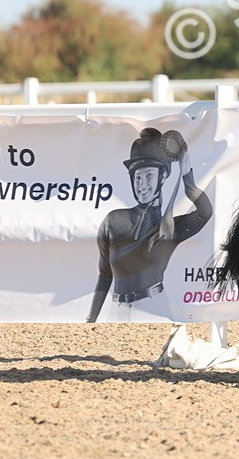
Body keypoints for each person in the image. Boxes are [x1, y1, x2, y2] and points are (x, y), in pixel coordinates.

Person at [85, 128, 212, 322]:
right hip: (117, 310)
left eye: (149, 176)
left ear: (162, 177)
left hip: (154, 307)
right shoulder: (113, 221)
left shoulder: (171, 228)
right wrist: (91, 318)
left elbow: (205, 212)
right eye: (137, 177)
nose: (142, 185)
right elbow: (105, 274)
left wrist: (186, 171)